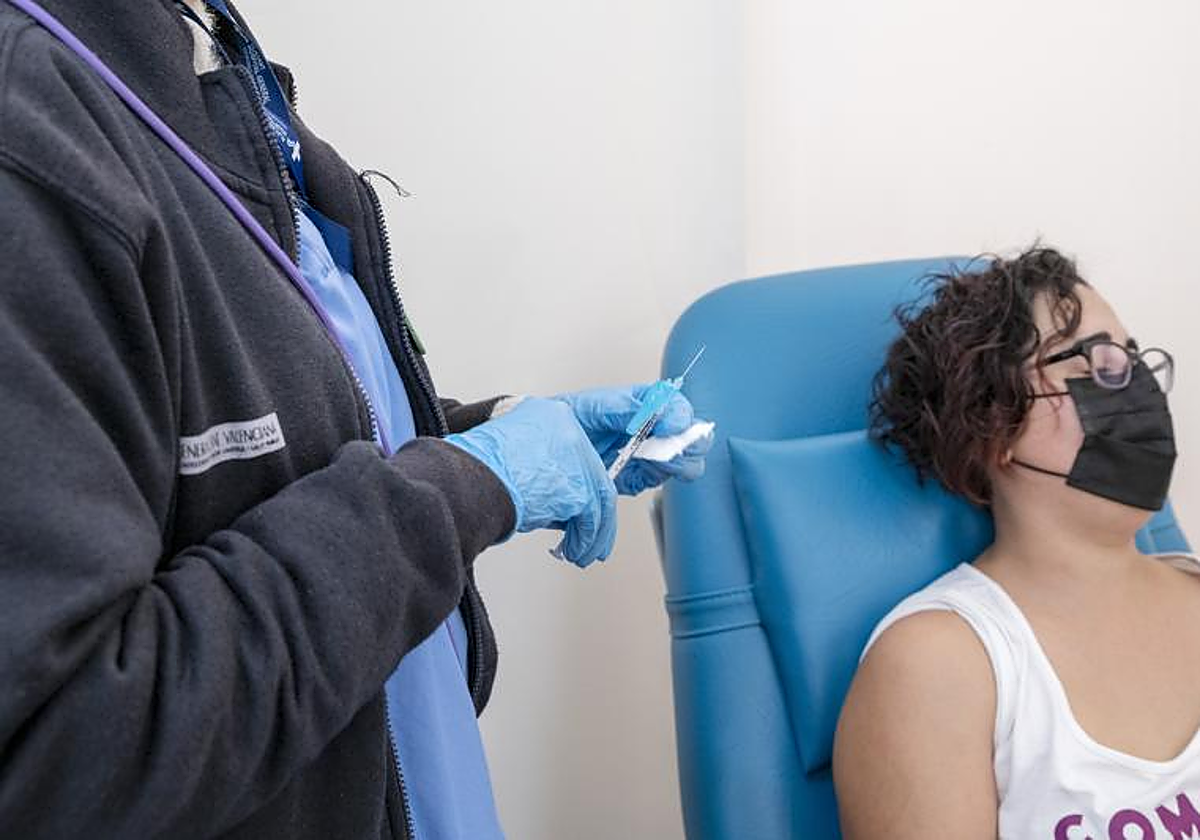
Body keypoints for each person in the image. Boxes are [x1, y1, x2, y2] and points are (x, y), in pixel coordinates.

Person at [0, 1, 711, 837]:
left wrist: (484, 435)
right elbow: (67, 753)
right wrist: (465, 487)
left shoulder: (186, 48)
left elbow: (236, 448)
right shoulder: (34, 129)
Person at [833, 248, 1195, 839]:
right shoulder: (939, 666)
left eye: (1130, 359)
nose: (1136, 389)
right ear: (992, 426)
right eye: (1091, 365)